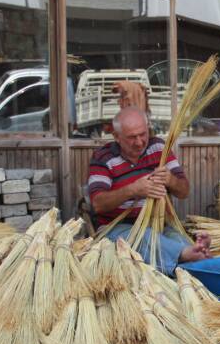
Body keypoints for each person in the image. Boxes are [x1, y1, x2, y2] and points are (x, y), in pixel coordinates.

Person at [88, 107, 211, 274]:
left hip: (160, 225)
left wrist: (170, 180)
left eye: (143, 134)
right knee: (145, 237)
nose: (139, 142)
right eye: (131, 137)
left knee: (177, 239)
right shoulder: (103, 157)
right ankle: (186, 255)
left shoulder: (159, 148)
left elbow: (184, 192)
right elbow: (98, 204)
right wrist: (132, 190)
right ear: (116, 137)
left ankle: (194, 256)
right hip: (117, 228)